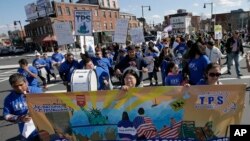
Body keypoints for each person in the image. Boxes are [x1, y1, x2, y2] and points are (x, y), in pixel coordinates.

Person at [3, 73, 42, 141]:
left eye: (21, 85)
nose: (19, 88)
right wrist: (20, 118)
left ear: (26, 82)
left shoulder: (37, 91)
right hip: (27, 132)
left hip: (43, 129)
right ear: (12, 86)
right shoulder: (9, 99)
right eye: (15, 86)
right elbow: (6, 115)